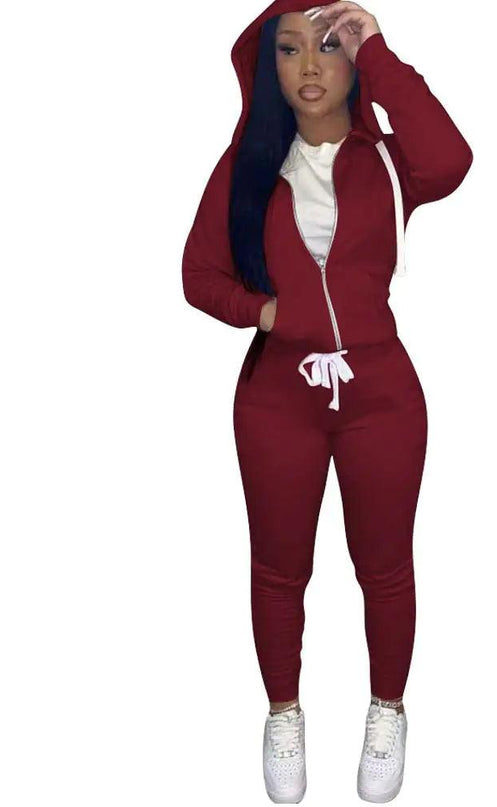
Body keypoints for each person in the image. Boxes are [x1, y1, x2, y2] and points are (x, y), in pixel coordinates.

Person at [182, 0, 473, 801]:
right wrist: (266, 313)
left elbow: (452, 158)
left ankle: (387, 710)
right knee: (279, 568)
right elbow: (198, 274)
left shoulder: (389, 163)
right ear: (268, 67)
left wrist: (377, 49)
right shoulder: (246, 167)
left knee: (384, 565)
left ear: (352, 60)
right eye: (289, 49)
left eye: (329, 45)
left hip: (382, 395)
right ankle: (284, 712)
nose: (309, 66)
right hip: (277, 399)